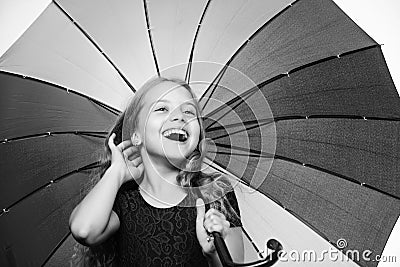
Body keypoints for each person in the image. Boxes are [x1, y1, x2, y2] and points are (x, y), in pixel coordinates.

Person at [69, 77, 244, 266]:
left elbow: (233, 263)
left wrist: (213, 253)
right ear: (136, 135)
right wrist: (116, 172)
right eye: (162, 109)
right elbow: (84, 230)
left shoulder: (214, 191)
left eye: (188, 111)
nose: (180, 117)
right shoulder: (124, 197)